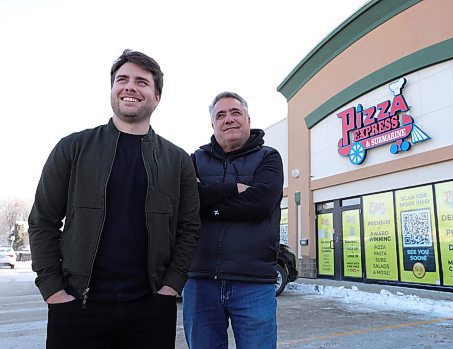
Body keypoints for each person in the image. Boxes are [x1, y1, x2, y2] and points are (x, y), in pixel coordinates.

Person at [28, 49, 200, 349]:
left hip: (151, 308)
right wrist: (53, 290)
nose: (130, 87)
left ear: (157, 96)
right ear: (112, 90)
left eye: (142, 81)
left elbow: (189, 228)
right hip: (77, 306)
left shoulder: (178, 160)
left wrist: (172, 286)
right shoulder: (73, 148)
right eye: (122, 79)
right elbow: (42, 222)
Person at [183, 91, 284, 349]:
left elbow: (261, 203)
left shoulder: (268, 157)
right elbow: (185, 203)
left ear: (248, 119)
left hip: (253, 283)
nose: (228, 119)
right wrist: (232, 188)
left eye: (235, 112)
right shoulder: (195, 160)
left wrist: (210, 207)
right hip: (200, 282)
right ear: (213, 125)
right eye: (221, 115)